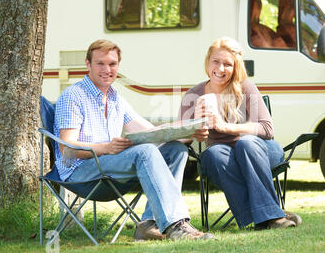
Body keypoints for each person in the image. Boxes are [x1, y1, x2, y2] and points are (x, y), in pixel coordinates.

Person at [53, 39, 214, 241]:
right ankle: (176, 226)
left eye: (112, 64)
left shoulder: (115, 99)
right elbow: (67, 149)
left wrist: (191, 134)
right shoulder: (73, 96)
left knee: (175, 150)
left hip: (108, 166)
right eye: (100, 63)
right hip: (80, 172)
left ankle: (150, 223)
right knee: (145, 151)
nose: (107, 69)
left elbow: (153, 133)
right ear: (88, 64)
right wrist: (106, 148)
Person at [179, 36, 301, 230]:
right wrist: (195, 131)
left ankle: (268, 215)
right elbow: (182, 134)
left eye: (228, 64)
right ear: (207, 61)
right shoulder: (194, 95)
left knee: (246, 144)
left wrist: (226, 127)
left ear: (235, 66)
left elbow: (267, 129)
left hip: (262, 150)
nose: (220, 69)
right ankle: (270, 216)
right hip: (224, 156)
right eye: (216, 62)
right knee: (212, 154)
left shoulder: (245, 87)